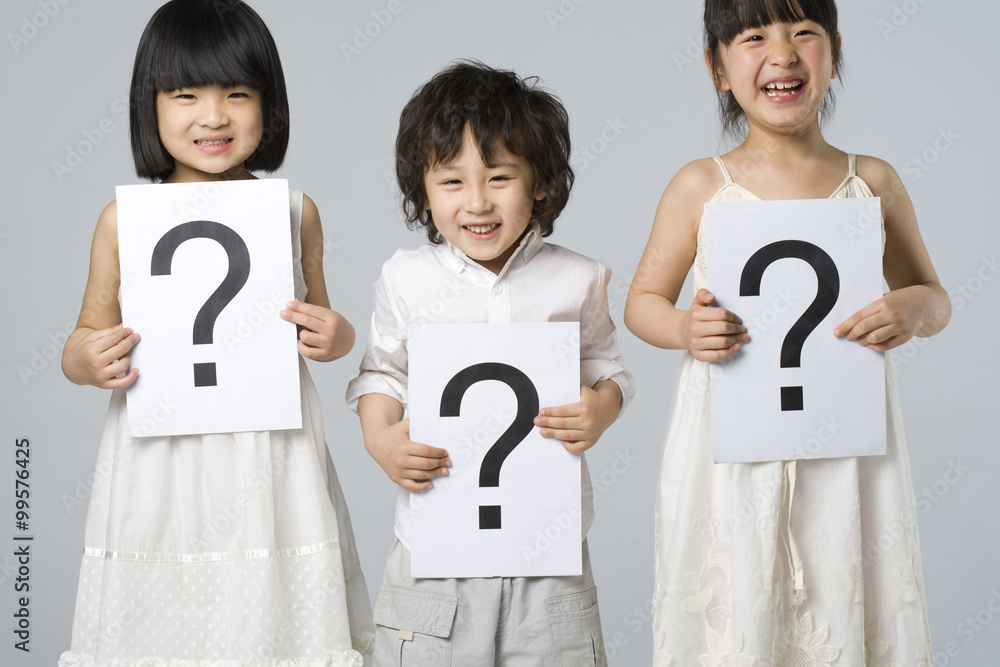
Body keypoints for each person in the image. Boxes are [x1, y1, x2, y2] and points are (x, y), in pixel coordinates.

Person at [625, 0, 950, 663]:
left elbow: (936, 296)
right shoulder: (699, 186)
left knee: (844, 582)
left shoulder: (873, 182)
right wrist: (688, 326)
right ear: (718, 68)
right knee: (739, 598)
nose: (782, 53)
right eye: (753, 37)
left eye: (803, 32)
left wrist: (912, 309)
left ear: (833, 51)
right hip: (733, 441)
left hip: (847, 440)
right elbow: (642, 303)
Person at [59, 1, 372, 664]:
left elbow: (326, 321)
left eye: (237, 93)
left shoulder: (294, 211)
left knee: (275, 604)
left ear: (269, 104)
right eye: (186, 95)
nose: (214, 116)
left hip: (269, 446)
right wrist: (91, 358)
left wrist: (334, 334)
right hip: (161, 449)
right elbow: (81, 337)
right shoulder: (124, 220)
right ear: (152, 107)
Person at [346, 61, 635, 665]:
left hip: (547, 553)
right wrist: (380, 437)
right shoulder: (406, 279)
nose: (477, 202)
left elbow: (609, 367)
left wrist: (601, 409)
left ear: (540, 183)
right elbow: (381, 372)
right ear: (421, 190)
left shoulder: (578, 279)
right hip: (433, 557)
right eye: (451, 182)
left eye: (499, 177)